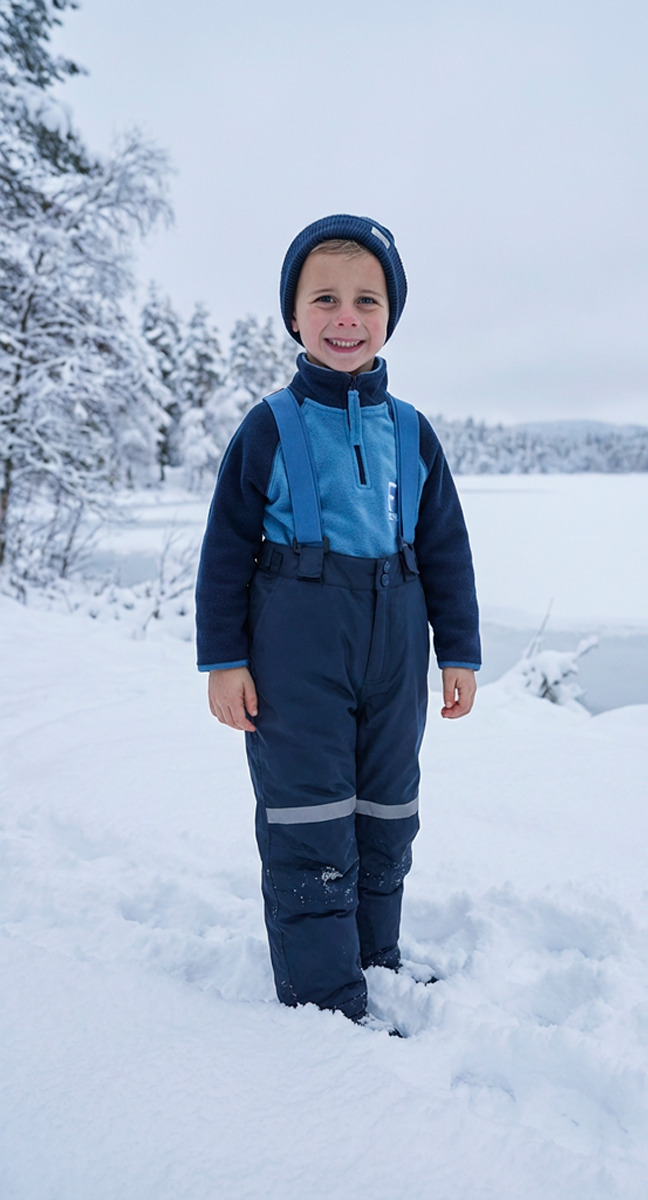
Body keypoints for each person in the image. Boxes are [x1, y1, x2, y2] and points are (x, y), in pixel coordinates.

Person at [195, 214, 480, 1024]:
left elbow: (447, 550)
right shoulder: (269, 428)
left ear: (390, 316)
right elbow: (224, 553)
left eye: (366, 299)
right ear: (294, 315)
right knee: (310, 816)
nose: (345, 317)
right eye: (325, 298)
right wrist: (223, 659)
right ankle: (324, 999)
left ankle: (372, 958)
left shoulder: (412, 433)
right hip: (294, 651)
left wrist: (457, 651)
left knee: (387, 808)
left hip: (396, 643)